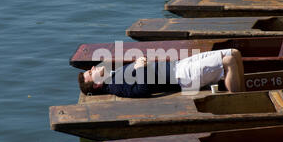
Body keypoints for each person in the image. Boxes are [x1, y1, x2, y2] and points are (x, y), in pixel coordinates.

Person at [78, 49, 245, 98]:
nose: (93, 67)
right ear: (97, 84)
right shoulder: (115, 87)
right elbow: (142, 91)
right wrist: (141, 67)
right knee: (228, 61)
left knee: (235, 53)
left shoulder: (111, 76)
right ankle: (238, 100)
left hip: (179, 65)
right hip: (183, 76)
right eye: (90, 72)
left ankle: (246, 94)